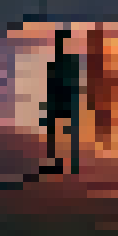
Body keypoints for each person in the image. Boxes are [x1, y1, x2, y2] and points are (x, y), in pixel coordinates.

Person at [41, 29, 79, 174]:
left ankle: (64, 162)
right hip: (64, 102)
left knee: (60, 132)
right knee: (62, 132)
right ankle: (67, 163)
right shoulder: (67, 63)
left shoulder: (61, 64)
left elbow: (55, 85)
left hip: (63, 101)